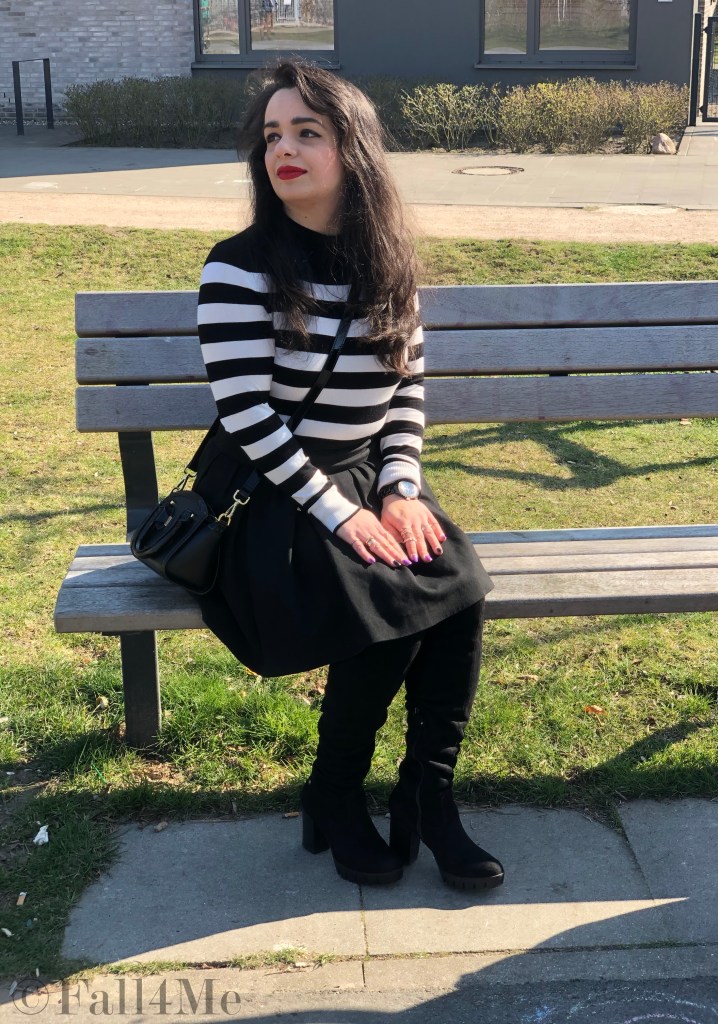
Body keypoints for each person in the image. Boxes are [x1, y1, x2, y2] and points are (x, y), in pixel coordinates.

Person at [194, 59, 504, 891]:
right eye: (271, 136)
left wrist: (401, 488)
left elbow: (406, 387)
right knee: (390, 602)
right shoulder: (238, 267)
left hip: (373, 478)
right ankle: (336, 797)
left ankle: (426, 800)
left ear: (352, 146)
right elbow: (249, 420)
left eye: (308, 132)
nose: (283, 150)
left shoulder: (386, 259)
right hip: (283, 493)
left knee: (460, 588)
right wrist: (341, 514)